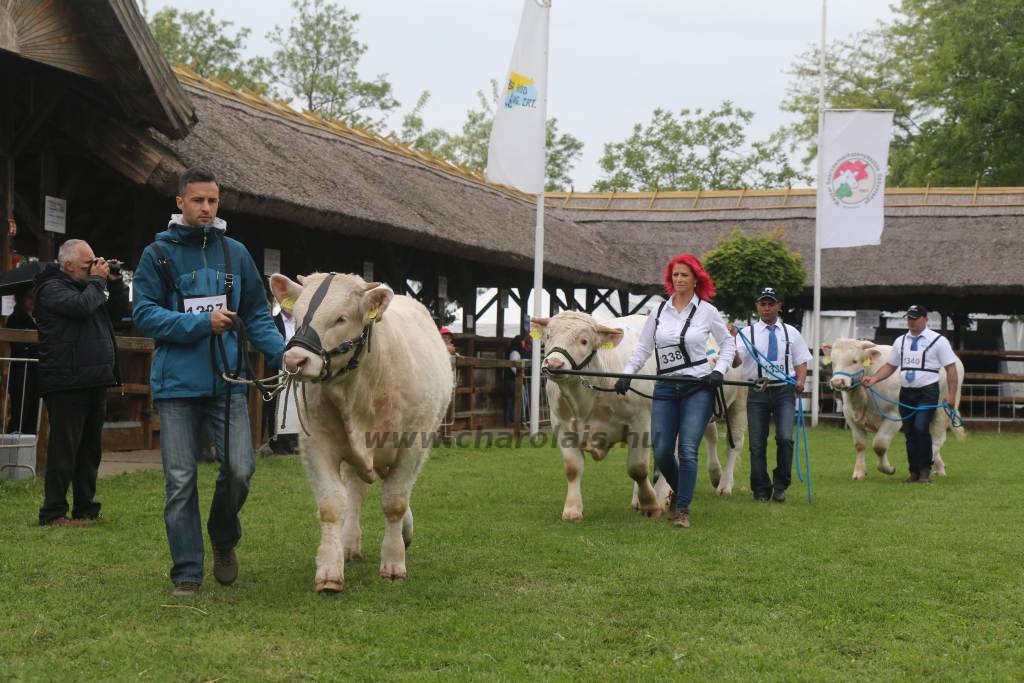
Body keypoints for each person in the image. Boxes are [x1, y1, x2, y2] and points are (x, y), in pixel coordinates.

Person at [132, 166, 284, 598]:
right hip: (177, 386)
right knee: (180, 482)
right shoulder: (156, 256)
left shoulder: (235, 253)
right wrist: (200, 324)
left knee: (241, 468)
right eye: (197, 200)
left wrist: (282, 353)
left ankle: (222, 535)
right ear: (180, 202)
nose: (206, 208)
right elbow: (144, 314)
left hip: (229, 381)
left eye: (213, 201)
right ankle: (186, 572)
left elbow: (256, 312)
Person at [616, 253, 735, 528]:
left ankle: (682, 509)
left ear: (696, 279)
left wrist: (720, 370)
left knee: (689, 449)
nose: (679, 279)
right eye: (675, 275)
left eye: (684, 274)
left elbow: (727, 344)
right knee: (662, 450)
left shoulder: (707, 311)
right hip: (666, 387)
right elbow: (643, 348)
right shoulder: (658, 312)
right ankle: (683, 490)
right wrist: (626, 375)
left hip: (698, 387)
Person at [35, 240, 127, 527]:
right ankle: (53, 512)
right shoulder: (51, 288)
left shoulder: (90, 288)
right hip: (66, 381)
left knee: (89, 449)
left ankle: (86, 507)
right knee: (65, 449)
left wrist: (115, 283)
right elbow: (80, 308)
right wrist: (98, 282)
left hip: (93, 378)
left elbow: (118, 315)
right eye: (88, 264)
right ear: (68, 264)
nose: (93, 267)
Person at [861, 304, 958, 484]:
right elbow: (891, 366)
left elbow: (951, 369)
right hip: (906, 392)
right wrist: (874, 379)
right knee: (910, 433)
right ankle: (913, 471)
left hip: (927, 392)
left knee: (921, 428)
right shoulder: (900, 341)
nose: (911, 321)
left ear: (925, 319)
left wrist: (951, 395)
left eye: (915, 318)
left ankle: (925, 471)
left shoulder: (938, 341)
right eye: (909, 318)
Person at [733, 286, 811, 503]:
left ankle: (780, 484)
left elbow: (801, 360)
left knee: (785, 438)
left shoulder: (791, 332)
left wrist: (801, 381)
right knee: (757, 443)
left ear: (778, 305)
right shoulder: (746, 334)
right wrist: (729, 345)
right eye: (762, 304)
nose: (766, 308)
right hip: (757, 389)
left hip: (784, 390)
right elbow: (736, 361)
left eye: (771, 304)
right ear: (757, 306)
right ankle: (760, 488)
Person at [265, 299, 298, 454]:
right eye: (288, 303)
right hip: (277, 370)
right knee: (276, 406)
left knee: (291, 407)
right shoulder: (274, 322)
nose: (291, 307)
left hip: (295, 370)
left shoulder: (299, 323)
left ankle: (290, 442)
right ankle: (275, 442)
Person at [5, 288, 39, 434]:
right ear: (21, 298)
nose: (31, 300)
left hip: (37, 368)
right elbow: (18, 345)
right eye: (28, 297)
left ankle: (30, 445)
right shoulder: (15, 317)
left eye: (34, 297)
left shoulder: (39, 317)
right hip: (21, 369)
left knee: (34, 409)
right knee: (20, 408)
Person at [505, 333, 530, 426]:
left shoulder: (515, 350)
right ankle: (519, 420)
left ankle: (513, 420)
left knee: (514, 400)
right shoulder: (515, 351)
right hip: (513, 380)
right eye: (523, 342)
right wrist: (521, 375)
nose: (524, 344)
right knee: (522, 400)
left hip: (511, 379)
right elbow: (513, 366)